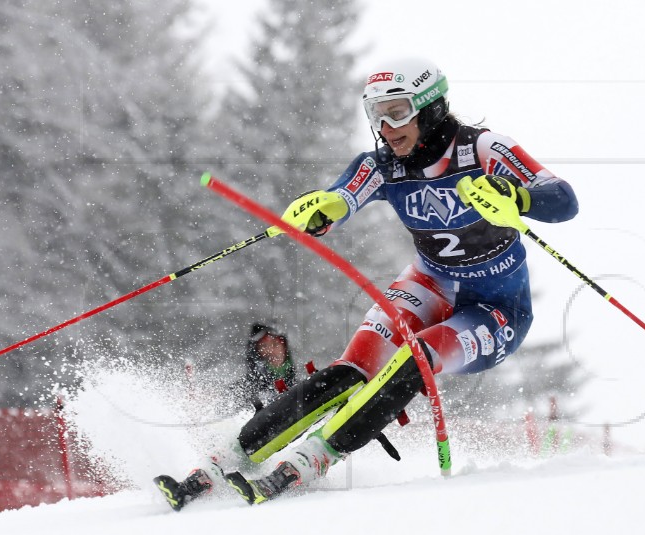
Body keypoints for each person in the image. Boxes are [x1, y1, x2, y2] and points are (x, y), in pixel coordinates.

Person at [154, 57, 578, 510]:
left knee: (418, 358)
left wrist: (518, 197)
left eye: (398, 112)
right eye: (376, 114)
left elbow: (564, 200)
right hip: (431, 282)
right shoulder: (382, 164)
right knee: (354, 366)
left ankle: (314, 458)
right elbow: (342, 196)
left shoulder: (485, 150)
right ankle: (226, 460)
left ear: (430, 109)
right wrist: (321, 210)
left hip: (496, 308)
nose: (387, 127)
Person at [236, 322, 296, 412]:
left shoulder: (300, 383)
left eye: (275, 344)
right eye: (264, 346)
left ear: (284, 348)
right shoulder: (244, 389)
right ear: (256, 353)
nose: (271, 351)